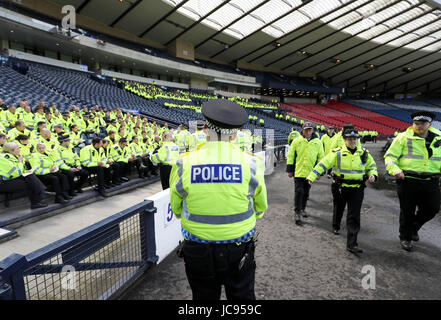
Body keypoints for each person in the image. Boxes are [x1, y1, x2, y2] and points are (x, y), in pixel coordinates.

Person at [170, 99, 267, 301]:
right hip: (239, 247)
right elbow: (260, 207)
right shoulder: (251, 163)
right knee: (242, 298)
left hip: (197, 248)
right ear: (234, 134)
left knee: (203, 299)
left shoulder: (183, 163)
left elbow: (176, 207)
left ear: (205, 129)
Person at [307, 129, 378, 253]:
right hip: (340, 187)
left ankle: (352, 244)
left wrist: (373, 175)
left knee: (354, 215)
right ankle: (336, 225)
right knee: (339, 208)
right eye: (350, 139)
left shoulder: (364, 153)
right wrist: (312, 176)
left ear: (357, 140)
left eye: (354, 139)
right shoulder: (337, 153)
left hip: (357, 189)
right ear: (345, 140)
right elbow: (323, 163)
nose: (352, 141)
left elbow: (371, 166)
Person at [384, 111, 441, 252]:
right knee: (407, 211)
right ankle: (406, 237)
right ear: (412, 124)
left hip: (431, 180)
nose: (419, 126)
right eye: (416, 123)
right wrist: (394, 169)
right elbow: (390, 156)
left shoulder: (439, 139)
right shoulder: (403, 137)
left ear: (430, 124)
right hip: (407, 180)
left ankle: (413, 228)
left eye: (423, 123)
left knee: (432, 208)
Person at [286, 122, 324, 225]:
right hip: (298, 171)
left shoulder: (318, 142)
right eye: (306, 129)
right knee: (299, 192)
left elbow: (321, 158)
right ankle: (297, 212)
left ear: (312, 130)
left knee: (306, 193)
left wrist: (319, 172)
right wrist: (290, 169)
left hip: (310, 173)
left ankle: (302, 209)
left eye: (310, 129)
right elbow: (291, 155)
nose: (308, 131)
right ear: (302, 130)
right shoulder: (296, 141)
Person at [0, 142, 47, 210]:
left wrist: (26, 171)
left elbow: (20, 170)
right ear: (10, 151)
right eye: (17, 148)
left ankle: (41, 194)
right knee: (29, 183)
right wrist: (20, 162)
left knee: (30, 176)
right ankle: (38, 198)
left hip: (12, 178)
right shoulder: (3, 158)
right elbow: (16, 172)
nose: (19, 149)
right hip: (3, 182)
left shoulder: (16, 156)